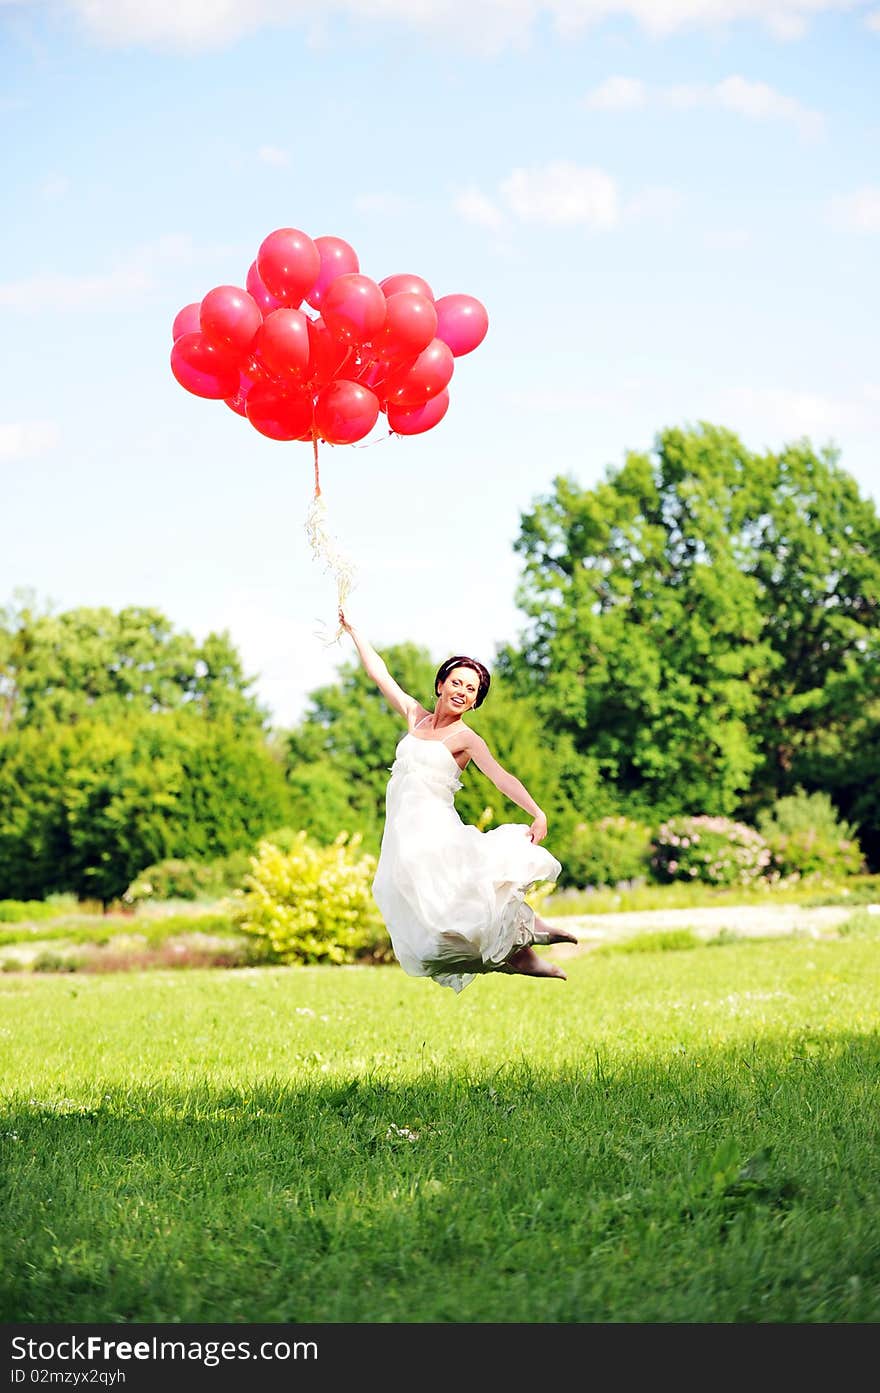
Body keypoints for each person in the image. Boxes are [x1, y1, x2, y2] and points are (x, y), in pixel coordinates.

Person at [338, 608, 578, 993]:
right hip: (403, 837)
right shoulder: (415, 717)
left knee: (462, 898)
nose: (462, 691)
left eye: (471, 690)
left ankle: (531, 936)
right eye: (457, 682)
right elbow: (379, 673)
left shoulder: (466, 739)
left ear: (474, 702)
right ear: (441, 685)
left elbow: (501, 777)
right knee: (433, 926)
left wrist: (537, 811)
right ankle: (519, 957)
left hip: (436, 832)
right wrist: (353, 630)